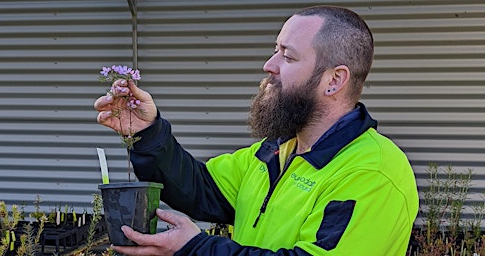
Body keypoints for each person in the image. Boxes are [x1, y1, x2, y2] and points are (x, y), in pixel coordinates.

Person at [94, 5, 419, 256]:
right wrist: (148, 132)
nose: (269, 64)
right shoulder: (276, 151)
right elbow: (201, 188)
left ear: (334, 80)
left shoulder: (374, 173)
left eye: (287, 56)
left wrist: (196, 248)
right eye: (275, 49)